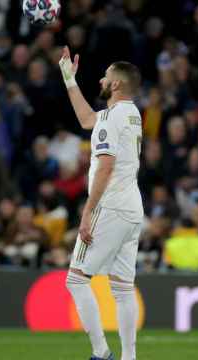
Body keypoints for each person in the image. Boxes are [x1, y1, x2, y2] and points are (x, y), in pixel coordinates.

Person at [59, 46, 143, 360]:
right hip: (132, 208)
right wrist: (69, 79)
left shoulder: (111, 117)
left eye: (106, 77)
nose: (101, 80)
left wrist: (87, 211)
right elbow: (86, 120)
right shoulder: (132, 114)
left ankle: (101, 352)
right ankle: (129, 357)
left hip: (109, 207)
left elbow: (105, 167)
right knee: (122, 288)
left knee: (76, 279)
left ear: (116, 85)